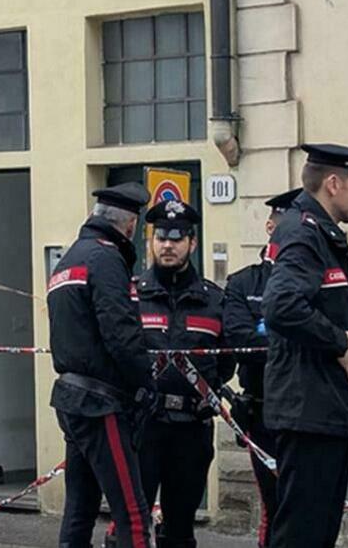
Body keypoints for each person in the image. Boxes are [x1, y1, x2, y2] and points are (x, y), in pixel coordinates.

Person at [262, 138, 348, 548]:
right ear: (333, 184)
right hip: (309, 409)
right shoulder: (303, 232)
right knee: (302, 535)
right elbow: (281, 305)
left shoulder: (319, 233)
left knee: (317, 533)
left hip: (324, 408)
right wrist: (337, 342)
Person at [49, 183, 160, 548]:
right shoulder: (106, 259)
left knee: (79, 509)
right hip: (101, 402)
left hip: (71, 398)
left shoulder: (69, 260)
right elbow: (121, 333)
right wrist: (146, 383)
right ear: (130, 225)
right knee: (133, 514)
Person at [133, 199, 232, 548]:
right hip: (144, 425)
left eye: (176, 239)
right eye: (161, 237)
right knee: (130, 524)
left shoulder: (214, 301)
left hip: (192, 428)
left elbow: (226, 363)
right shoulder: (133, 296)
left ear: (192, 243)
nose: (167, 245)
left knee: (180, 529)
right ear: (151, 241)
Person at [223, 187, 299, 548]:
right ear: (271, 227)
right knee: (275, 506)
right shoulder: (243, 283)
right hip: (263, 412)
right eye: (289, 224)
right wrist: (298, 341)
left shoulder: (314, 279)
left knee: (306, 510)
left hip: (307, 410)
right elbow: (241, 341)